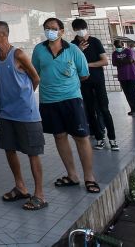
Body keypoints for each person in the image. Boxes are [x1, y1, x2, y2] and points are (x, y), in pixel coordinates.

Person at [31, 17, 100, 194]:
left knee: (81, 137)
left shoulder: (74, 50)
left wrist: (67, 83)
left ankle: (89, 177)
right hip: (48, 101)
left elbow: (84, 75)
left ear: (62, 31)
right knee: (59, 136)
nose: (50, 31)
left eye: (53, 28)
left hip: (72, 99)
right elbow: (35, 73)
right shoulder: (39, 50)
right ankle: (72, 175)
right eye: (47, 28)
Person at [0, 20, 47, 211]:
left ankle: (39, 195)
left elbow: (35, 77)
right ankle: (21, 187)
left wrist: (26, 97)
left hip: (26, 113)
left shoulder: (19, 54)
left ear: (3, 35)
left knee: (32, 153)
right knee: (9, 149)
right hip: (6, 113)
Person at [71, 19, 118, 151]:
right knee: (89, 111)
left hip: (98, 81)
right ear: (74, 30)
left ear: (86, 28)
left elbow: (104, 61)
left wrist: (87, 65)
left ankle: (113, 139)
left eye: (82, 28)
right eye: (78, 29)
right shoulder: (72, 45)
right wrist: (78, 51)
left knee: (104, 109)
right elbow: (70, 63)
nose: (81, 31)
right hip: (83, 82)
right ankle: (99, 138)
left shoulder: (95, 41)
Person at [112, 39, 135, 117]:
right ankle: (132, 109)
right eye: (116, 46)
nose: (117, 47)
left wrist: (120, 62)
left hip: (131, 75)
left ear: (122, 44)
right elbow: (114, 63)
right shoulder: (114, 53)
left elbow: (130, 60)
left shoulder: (128, 51)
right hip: (122, 76)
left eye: (119, 46)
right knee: (127, 93)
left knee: (134, 93)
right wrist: (125, 61)